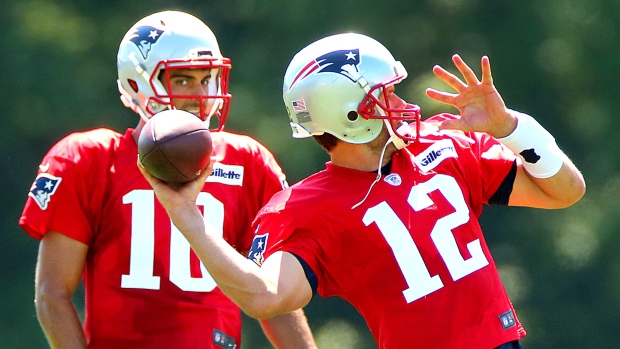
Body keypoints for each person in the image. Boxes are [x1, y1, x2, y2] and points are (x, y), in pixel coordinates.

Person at [140, 33, 586, 349]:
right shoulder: (306, 207)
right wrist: (187, 217)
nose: (401, 102)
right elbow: (266, 296)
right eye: (385, 95)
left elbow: (565, 191)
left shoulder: (443, 143)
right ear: (350, 114)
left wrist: (512, 128)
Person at [19, 10, 316, 349]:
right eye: (183, 79)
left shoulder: (248, 162)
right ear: (137, 84)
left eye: (207, 78)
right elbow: (52, 295)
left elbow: (271, 297)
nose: (199, 93)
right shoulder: (90, 159)